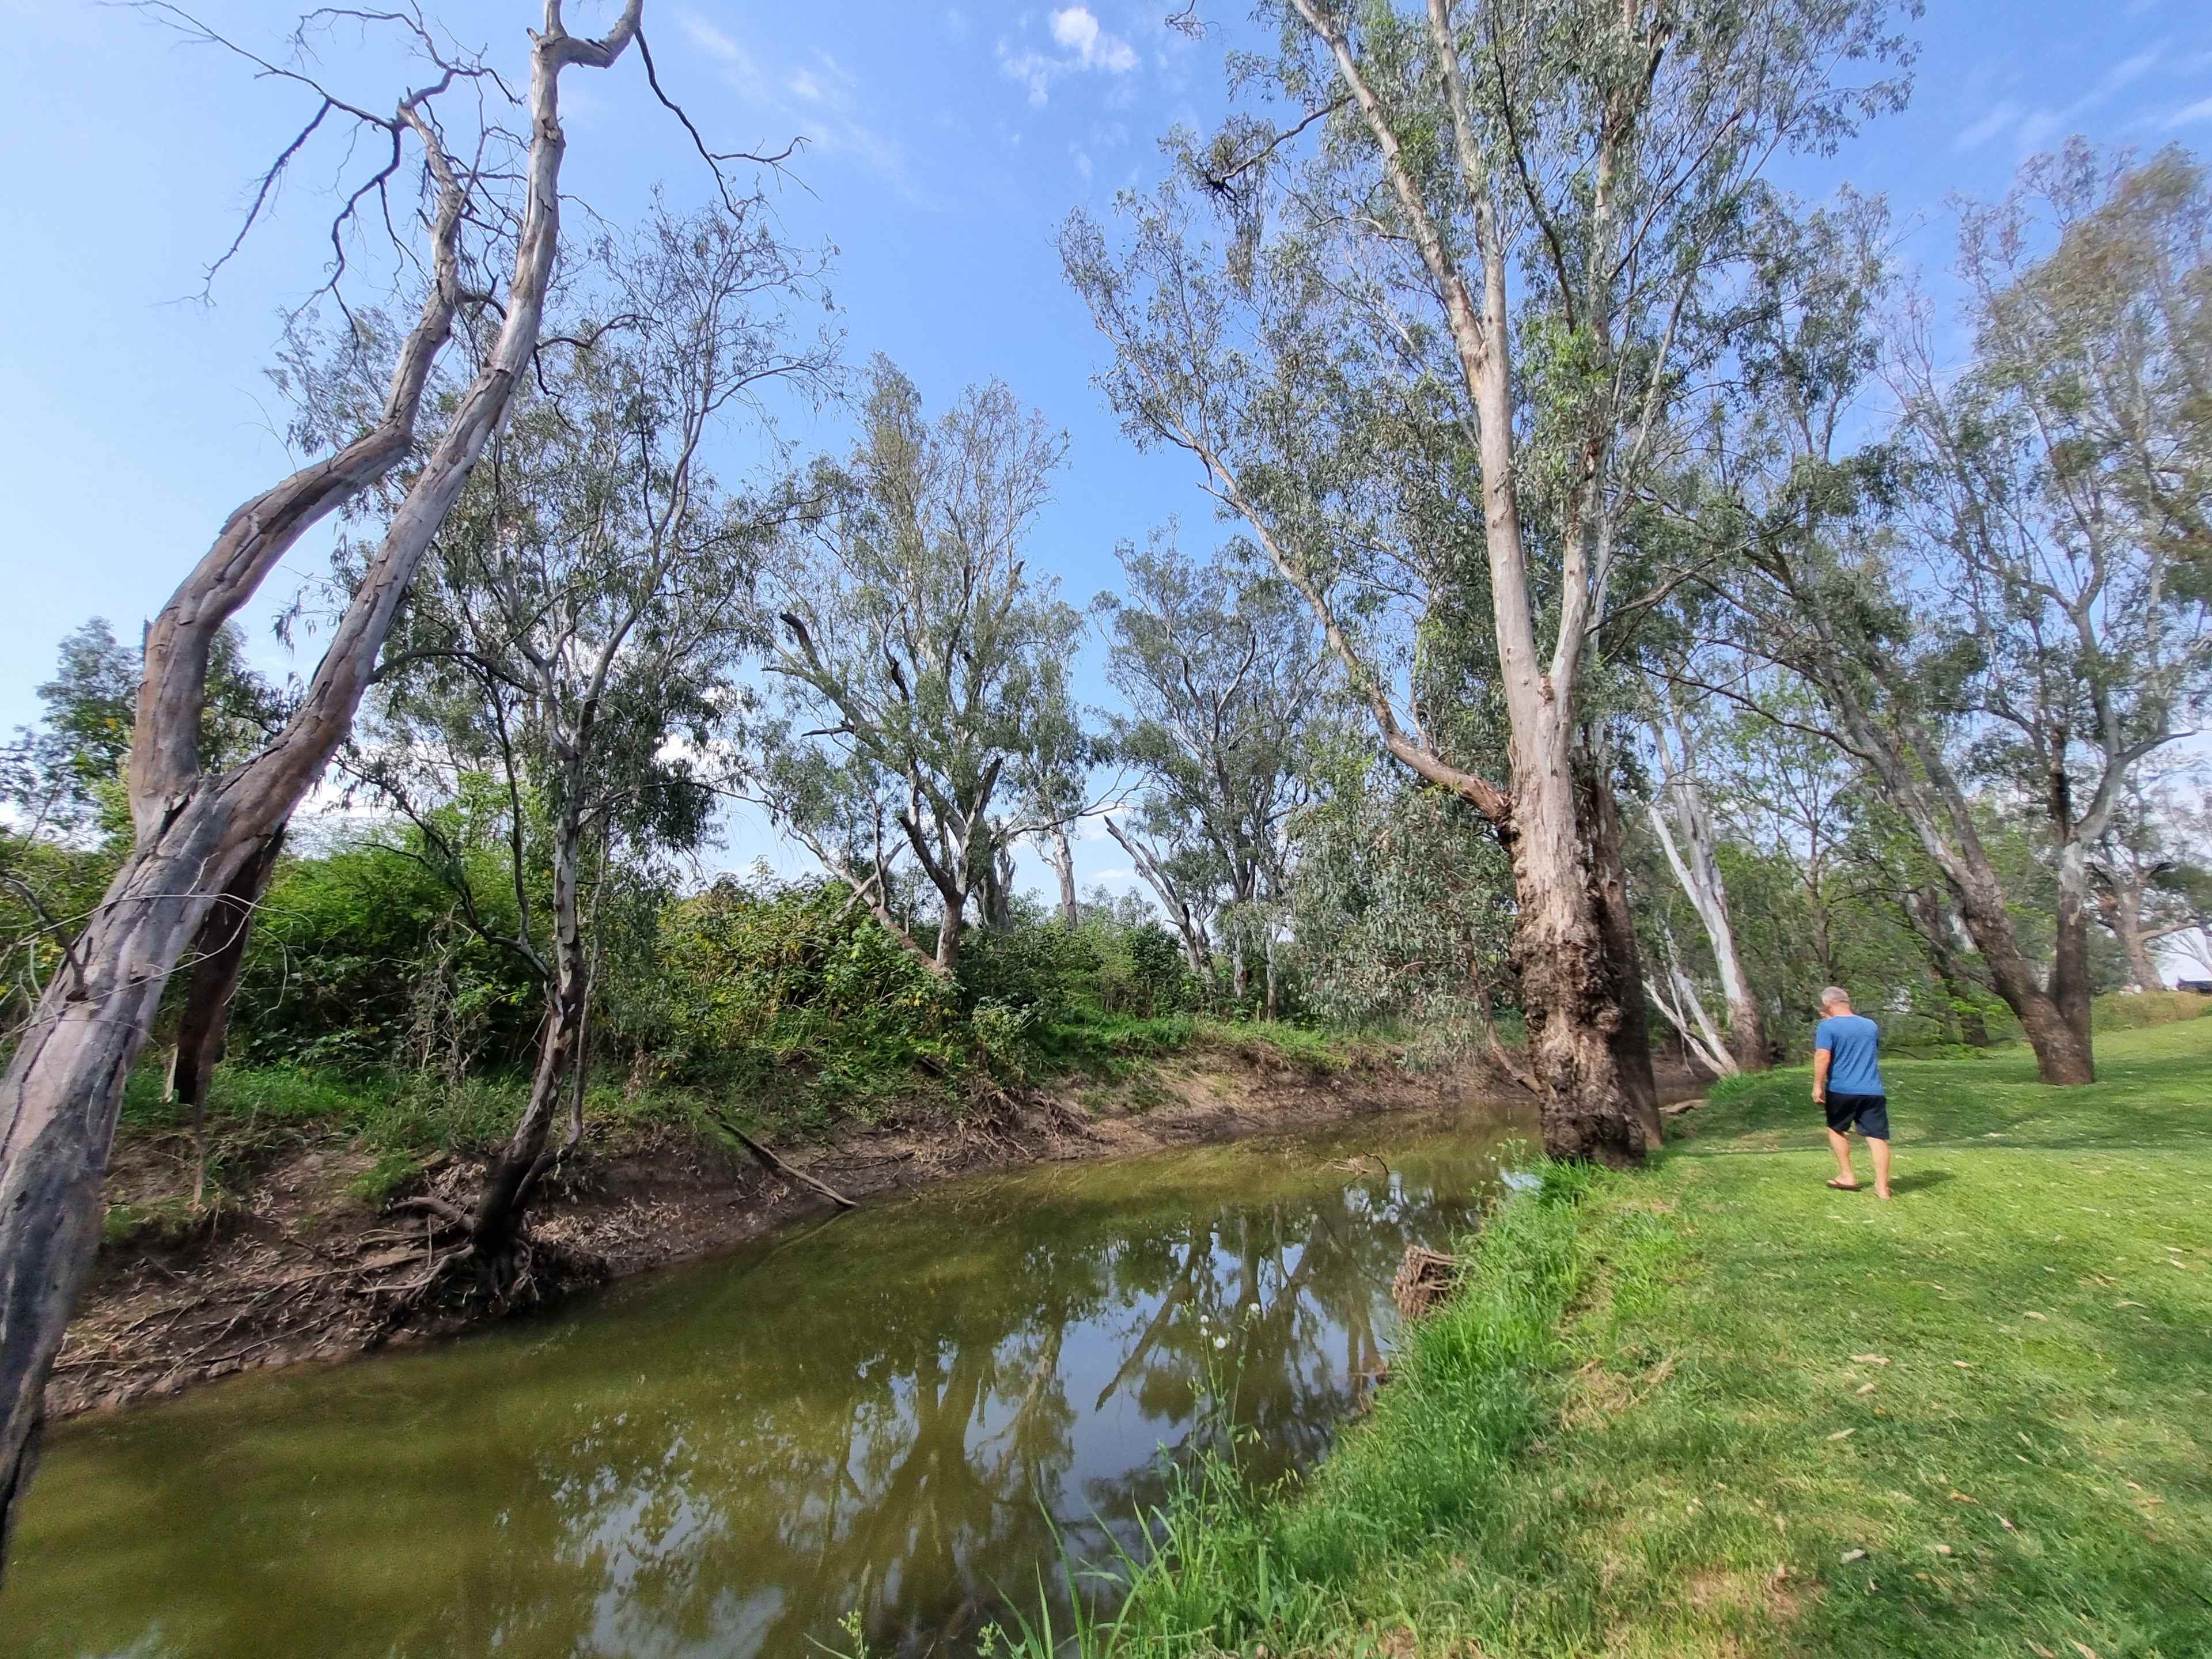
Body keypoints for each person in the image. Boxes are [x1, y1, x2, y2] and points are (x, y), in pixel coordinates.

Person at [1812, 986, 1892, 1200]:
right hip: (1873, 1090)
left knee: (1836, 1129)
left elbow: (1823, 1056)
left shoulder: (1827, 1027)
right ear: (1847, 1002)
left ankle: (1848, 1175)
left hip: (1842, 1089)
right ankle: (1882, 1187)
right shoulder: (1870, 1025)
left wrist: (1817, 1085)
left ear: (1828, 1006)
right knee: (1877, 1138)